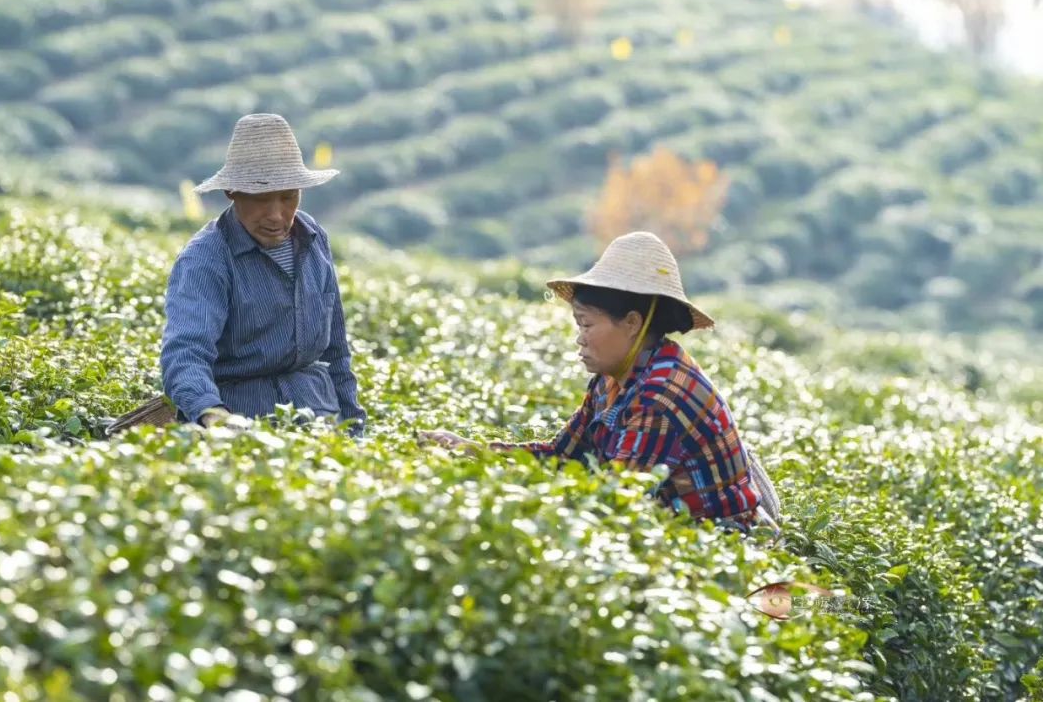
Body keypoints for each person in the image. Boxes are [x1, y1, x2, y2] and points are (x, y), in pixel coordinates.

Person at [421, 231, 778, 534]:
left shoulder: (661, 395)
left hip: (724, 544)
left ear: (632, 323)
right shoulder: (613, 380)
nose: (579, 338)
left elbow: (613, 501)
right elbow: (563, 456)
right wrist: (473, 450)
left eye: (586, 325)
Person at [160, 113, 366, 433]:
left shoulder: (313, 239)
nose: (276, 215)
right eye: (260, 199)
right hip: (245, 424)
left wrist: (354, 428)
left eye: (288, 197)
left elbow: (336, 351)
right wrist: (213, 414)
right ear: (231, 192)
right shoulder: (205, 260)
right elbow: (185, 353)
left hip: (319, 418)